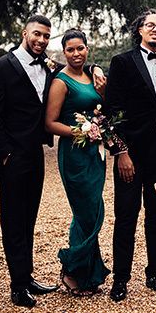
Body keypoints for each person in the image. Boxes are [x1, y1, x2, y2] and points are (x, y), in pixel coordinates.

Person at [0, 14, 104, 308]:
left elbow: (77, 72)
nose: (40, 40)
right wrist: (3, 154)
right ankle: (17, 286)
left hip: (35, 153)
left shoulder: (49, 68)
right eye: (36, 34)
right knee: (13, 218)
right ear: (24, 32)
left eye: (45, 36)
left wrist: (94, 66)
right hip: (12, 155)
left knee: (29, 218)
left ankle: (27, 276)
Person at [104, 9, 156, 302]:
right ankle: (121, 279)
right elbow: (111, 112)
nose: (154, 29)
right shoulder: (122, 62)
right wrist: (120, 152)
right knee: (125, 215)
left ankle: (155, 273)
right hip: (131, 154)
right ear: (139, 29)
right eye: (149, 25)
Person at [44, 29, 110, 296]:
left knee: (93, 208)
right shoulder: (61, 82)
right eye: (70, 50)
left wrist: (103, 97)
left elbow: (103, 108)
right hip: (74, 154)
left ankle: (87, 273)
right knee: (85, 210)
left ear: (87, 49)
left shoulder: (92, 75)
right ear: (63, 52)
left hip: (95, 153)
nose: (76, 53)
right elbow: (50, 122)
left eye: (80, 48)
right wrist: (82, 131)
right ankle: (72, 270)